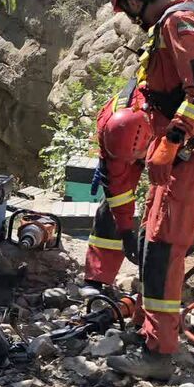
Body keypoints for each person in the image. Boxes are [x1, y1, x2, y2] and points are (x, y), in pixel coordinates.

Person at [101, 0, 194, 380]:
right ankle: (151, 330)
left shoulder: (181, 24)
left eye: (128, 10)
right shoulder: (167, 30)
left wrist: (173, 140)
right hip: (172, 155)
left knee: (162, 248)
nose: (131, 18)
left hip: (185, 155)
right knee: (152, 240)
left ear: (135, 0)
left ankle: (160, 353)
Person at [84, 95, 152, 290]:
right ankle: (97, 276)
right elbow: (119, 192)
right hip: (119, 144)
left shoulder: (164, 111)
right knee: (112, 203)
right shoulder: (109, 129)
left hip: (171, 139)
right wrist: (126, 232)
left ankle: (159, 270)